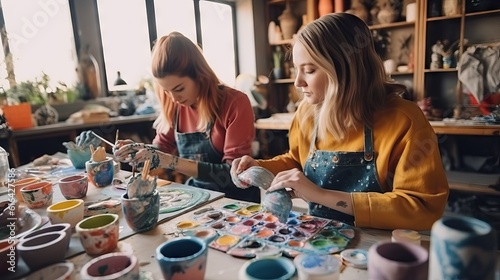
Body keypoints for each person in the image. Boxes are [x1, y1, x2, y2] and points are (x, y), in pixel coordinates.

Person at [231, 13, 449, 230]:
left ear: (346, 70)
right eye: (297, 69)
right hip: (324, 234)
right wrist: (259, 167)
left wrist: (320, 195)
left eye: (309, 70)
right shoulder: (307, 112)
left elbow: (421, 208)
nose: (298, 82)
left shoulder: (405, 121)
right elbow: (297, 160)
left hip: (380, 242)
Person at [114, 32, 260, 203]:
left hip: (236, 201)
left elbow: (232, 176)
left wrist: (171, 161)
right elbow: (162, 148)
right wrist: (139, 151)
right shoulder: (175, 106)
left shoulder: (235, 103)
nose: (174, 98)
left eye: (179, 88)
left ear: (199, 75)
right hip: (197, 196)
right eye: (167, 91)